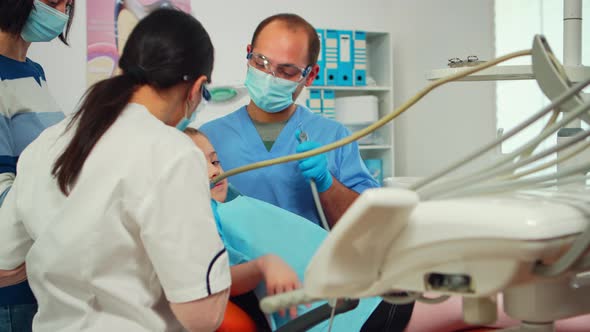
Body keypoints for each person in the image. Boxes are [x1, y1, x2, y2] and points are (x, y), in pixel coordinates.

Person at [0, 9, 231, 332]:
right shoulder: (173, 153)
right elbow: (202, 315)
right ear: (196, 88)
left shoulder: (49, 142)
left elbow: (4, 265)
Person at [186, 128, 415, 331]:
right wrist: (264, 264)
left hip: (362, 288)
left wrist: (326, 181)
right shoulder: (202, 215)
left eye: (215, 162)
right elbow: (217, 277)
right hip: (343, 312)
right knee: (446, 298)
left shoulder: (232, 199)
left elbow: (367, 220)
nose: (214, 171)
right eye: (198, 165)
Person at [199, 13, 379, 228]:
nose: (269, 76)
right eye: (261, 62)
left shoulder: (335, 137)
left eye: (287, 71)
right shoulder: (209, 138)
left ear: (310, 76)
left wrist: (327, 183)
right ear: (248, 55)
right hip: (235, 262)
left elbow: (366, 225)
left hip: (311, 261)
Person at [0, 1, 75, 331]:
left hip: (41, 281)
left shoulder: (33, 72)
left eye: (68, 3)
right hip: (10, 292)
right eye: (51, 1)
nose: (60, 12)